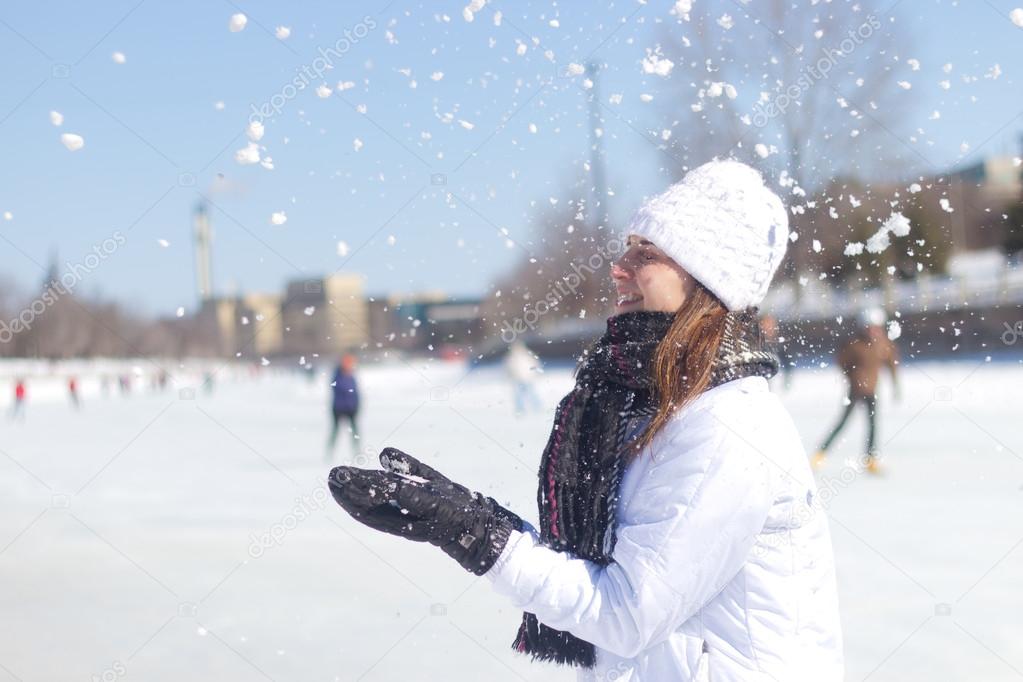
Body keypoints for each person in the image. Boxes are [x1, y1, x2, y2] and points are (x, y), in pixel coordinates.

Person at [328, 160, 843, 681]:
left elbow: (625, 613)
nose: (620, 267)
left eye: (647, 254)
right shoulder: (649, 404)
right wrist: (472, 518)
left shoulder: (727, 425)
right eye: (627, 248)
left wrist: (476, 533)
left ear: (705, 280)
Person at [813, 307, 900, 474]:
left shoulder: (884, 344)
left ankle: (870, 459)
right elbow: (842, 361)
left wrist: (896, 385)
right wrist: (852, 377)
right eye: (870, 327)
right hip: (855, 390)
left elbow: (892, 363)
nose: (873, 331)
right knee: (842, 423)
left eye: (876, 327)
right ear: (863, 327)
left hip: (871, 390)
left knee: (873, 425)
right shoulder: (854, 344)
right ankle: (820, 453)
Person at [327, 354, 361, 460]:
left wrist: (357, 405)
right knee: (335, 431)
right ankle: (330, 452)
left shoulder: (351, 376)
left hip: (351, 408)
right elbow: (342, 389)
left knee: (355, 431)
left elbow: (356, 392)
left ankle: (357, 451)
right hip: (339, 408)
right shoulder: (337, 375)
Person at [505, 339, 542, 415]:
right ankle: (521, 408)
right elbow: (508, 368)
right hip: (520, 378)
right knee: (521, 395)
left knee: (529, 393)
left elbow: (534, 363)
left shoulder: (524, 356)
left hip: (525, 378)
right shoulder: (514, 357)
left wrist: (536, 372)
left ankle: (536, 406)